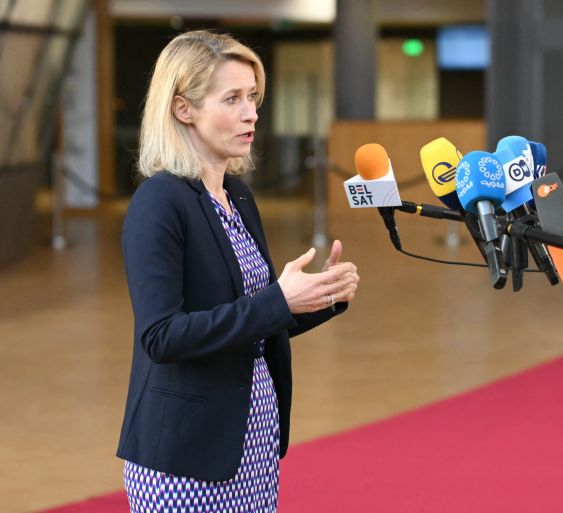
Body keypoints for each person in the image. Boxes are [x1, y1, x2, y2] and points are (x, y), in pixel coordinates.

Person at [116, 30, 359, 513]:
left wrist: (319, 298)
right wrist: (279, 301)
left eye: (253, 97)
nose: (251, 113)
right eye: (232, 98)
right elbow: (161, 336)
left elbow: (252, 319)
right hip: (185, 458)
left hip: (248, 444)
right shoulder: (159, 202)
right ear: (183, 109)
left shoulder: (238, 197)